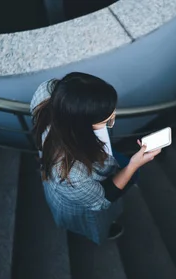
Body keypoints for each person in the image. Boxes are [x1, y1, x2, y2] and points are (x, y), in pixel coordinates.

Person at [30, 72, 161, 245]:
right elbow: (102, 200)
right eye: (106, 120)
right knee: (95, 222)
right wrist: (133, 166)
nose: (111, 121)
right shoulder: (70, 173)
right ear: (81, 125)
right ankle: (102, 232)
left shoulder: (47, 92)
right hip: (81, 201)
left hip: (87, 162)